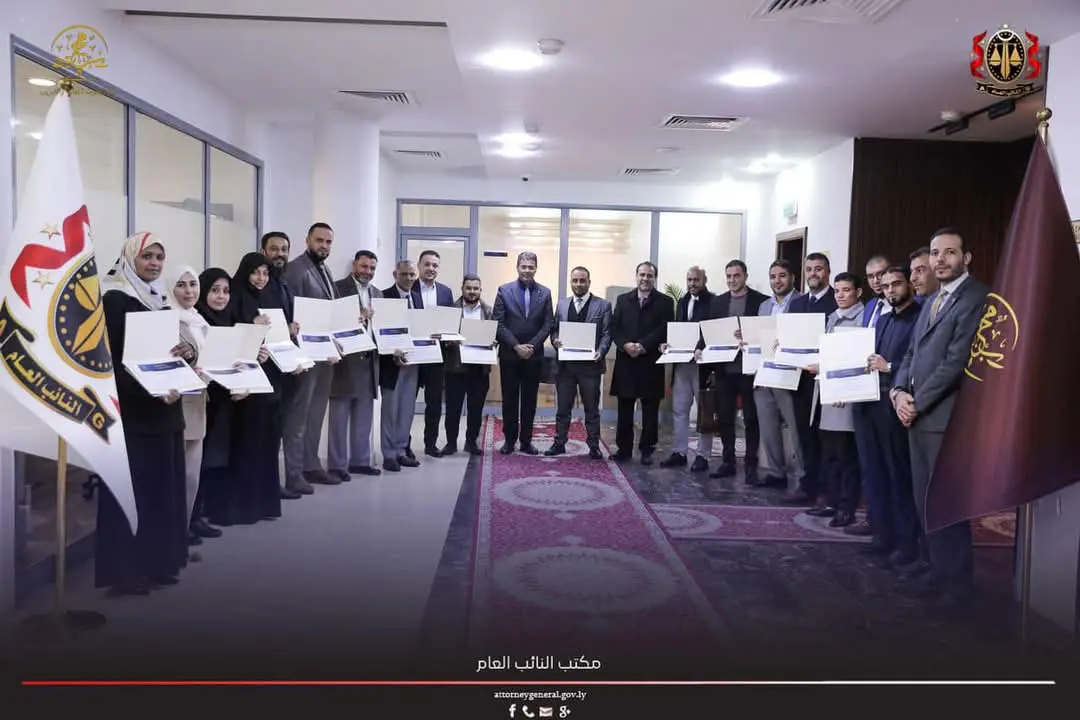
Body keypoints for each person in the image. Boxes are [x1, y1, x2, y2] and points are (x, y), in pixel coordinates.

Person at [891, 229, 988, 615]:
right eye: (935, 253)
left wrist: (917, 403)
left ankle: (957, 586)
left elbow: (956, 363)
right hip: (917, 417)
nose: (940, 260)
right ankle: (937, 570)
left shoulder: (978, 298)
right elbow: (911, 354)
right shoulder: (932, 299)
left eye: (950, 252)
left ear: (967, 257)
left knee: (946, 503)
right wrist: (898, 392)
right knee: (924, 502)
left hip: (945, 418)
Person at [97, 231, 189, 595]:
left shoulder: (158, 298)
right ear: (129, 258)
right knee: (134, 493)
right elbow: (111, 362)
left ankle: (159, 563)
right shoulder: (115, 299)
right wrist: (151, 391)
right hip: (134, 415)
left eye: (159, 257)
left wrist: (187, 353)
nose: (154, 263)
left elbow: (167, 350)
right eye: (146, 256)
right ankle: (127, 571)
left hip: (165, 411)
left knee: (162, 492)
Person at [210, 252, 283, 526]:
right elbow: (228, 335)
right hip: (242, 386)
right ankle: (242, 506)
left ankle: (263, 503)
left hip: (266, 381)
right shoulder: (235, 296)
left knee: (265, 443)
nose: (261, 278)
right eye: (256, 272)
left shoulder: (267, 297)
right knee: (245, 445)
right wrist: (251, 328)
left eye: (265, 273)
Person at [164, 264, 221, 546]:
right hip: (177, 403)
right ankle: (174, 532)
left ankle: (185, 526)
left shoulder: (198, 320)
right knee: (177, 473)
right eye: (181, 285)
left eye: (193, 284)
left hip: (199, 400)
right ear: (170, 288)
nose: (189, 291)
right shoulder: (165, 319)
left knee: (191, 473)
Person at [282, 222, 340, 492]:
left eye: (328, 242)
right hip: (304, 355)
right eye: (319, 240)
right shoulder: (295, 269)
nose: (324, 246)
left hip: (325, 355)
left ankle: (311, 465)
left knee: (316, 413)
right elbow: (289, 311)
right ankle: (294, 473)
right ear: (307, 240)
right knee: (298, 416)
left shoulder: (325, 269)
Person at [805, 272, 865, 528]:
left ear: (858, 292)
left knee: (846, 455)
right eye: (837, 290)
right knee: (829, 453)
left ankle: (846, 507)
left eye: (846, 290)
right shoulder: (832, 317)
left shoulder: (863, 318)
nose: (840, 295)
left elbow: (856, 358)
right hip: (827, 393)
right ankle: (830, 500)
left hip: (845, 394)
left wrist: (843, 387)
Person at [704, 260, 768, 482]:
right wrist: (702, 350)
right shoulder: (718, 302)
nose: (732, 280)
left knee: (751, 418)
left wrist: (749, 335)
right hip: (724, 369)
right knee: (725, 417)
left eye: (736, 275)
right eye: (729, 276)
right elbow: (709, 333)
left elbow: (768, 332)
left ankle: (751, 465)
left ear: (745, 276)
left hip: (750, 369)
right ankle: (728, 461)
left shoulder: (761, 301)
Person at [609, 261, 673, 465]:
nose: (645, 279)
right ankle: (624, 449)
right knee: (625, 409)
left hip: (650, 362)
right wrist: (626, 344)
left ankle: (647, 450)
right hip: (626, 361)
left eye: (649, 275)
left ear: (655, 278)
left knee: (650, 410)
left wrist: (643, 345)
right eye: (642, 275)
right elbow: (614, 328)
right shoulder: (623, 300)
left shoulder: (665, 302)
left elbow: (665, 328)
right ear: (636, 276)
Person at [492, 252, 553, 455]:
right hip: (510, 355)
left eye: (531, 267)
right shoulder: (504, 290)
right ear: (517, 267)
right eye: (523, 266)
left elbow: (548, 324)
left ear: (536, 268)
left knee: (529, 400)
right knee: (510, 399)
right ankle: (509, 440)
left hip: (533, 356)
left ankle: (526, 441)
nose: (527, 270)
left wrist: (531, 346)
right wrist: (517, 346)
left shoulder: (545, 293)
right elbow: (498, 323)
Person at [328, 250, 382, 479]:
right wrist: (355, 317)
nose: (367, 272)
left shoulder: (378, 293)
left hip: (370, 364)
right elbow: (329, 322)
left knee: (364, 418)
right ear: (354, 265)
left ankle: (360, 461)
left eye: (372, 268)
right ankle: (337, 466)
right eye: (364, 266)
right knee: (338, 419)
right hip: (345, 363)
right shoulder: (337, 288)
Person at [547, 266, 611, 460]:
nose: (579, 284)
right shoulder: (562, 305)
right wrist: (555, 341)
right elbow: (554, 330)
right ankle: (559, 443)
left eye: (582, 280)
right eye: (575, 280)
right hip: (566, 367)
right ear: (571, 282)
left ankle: (594, 446)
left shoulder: (603, 305)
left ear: (589, 282)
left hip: (590, 367)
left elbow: (607, 333)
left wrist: (601, 351)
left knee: (591, 409)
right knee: (562, 409)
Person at [660, 266, 714, 472]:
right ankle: (679, 451)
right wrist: (668, 344)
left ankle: (703, 455)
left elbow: (712, 331)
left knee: (704, 411)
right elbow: (679, 329)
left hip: (703, 365)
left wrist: (701, 347)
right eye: (689, 280)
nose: (692, 283)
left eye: (696, 280)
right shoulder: (682, 301)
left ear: (704, 280)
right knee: (680, 409)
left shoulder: (713, 302)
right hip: (682, 364)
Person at [410, 249, 456, 457]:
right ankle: (404, 445)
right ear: (419, 266)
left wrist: (446, 335)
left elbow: (450, 323)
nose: (431, 268)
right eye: (427, 264)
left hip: (437, 356)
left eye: (435, 265)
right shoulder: (409, 287)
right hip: (412, 354)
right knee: (408, 402)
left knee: (434, 403)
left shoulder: (446, 292)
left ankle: (430, 444)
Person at [443, 274, 494, 456]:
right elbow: (444, 335)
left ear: (480, 290)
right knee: (453, 408)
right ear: (462, 289)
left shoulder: (488, 311)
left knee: (475, 408)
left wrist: (493, 342)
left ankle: (471, 442)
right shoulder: (451, 310)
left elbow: (494, 335)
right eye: (469, 288)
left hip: (479, 368)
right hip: (455, 367)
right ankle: (450, 443)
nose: (472, 291)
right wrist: (449, 341)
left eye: (475, 288)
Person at [379, 260, 422, 471]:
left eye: (412, 274)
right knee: (390, 411)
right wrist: (391, 352)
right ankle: (388, 455)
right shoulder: (384, 296)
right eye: (404, 274)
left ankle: (401, 450)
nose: (409, 278)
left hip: (413, 362)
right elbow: (380, 331)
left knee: (406, 410)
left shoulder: (417, 298)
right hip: (392, 363)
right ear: (395, 274)